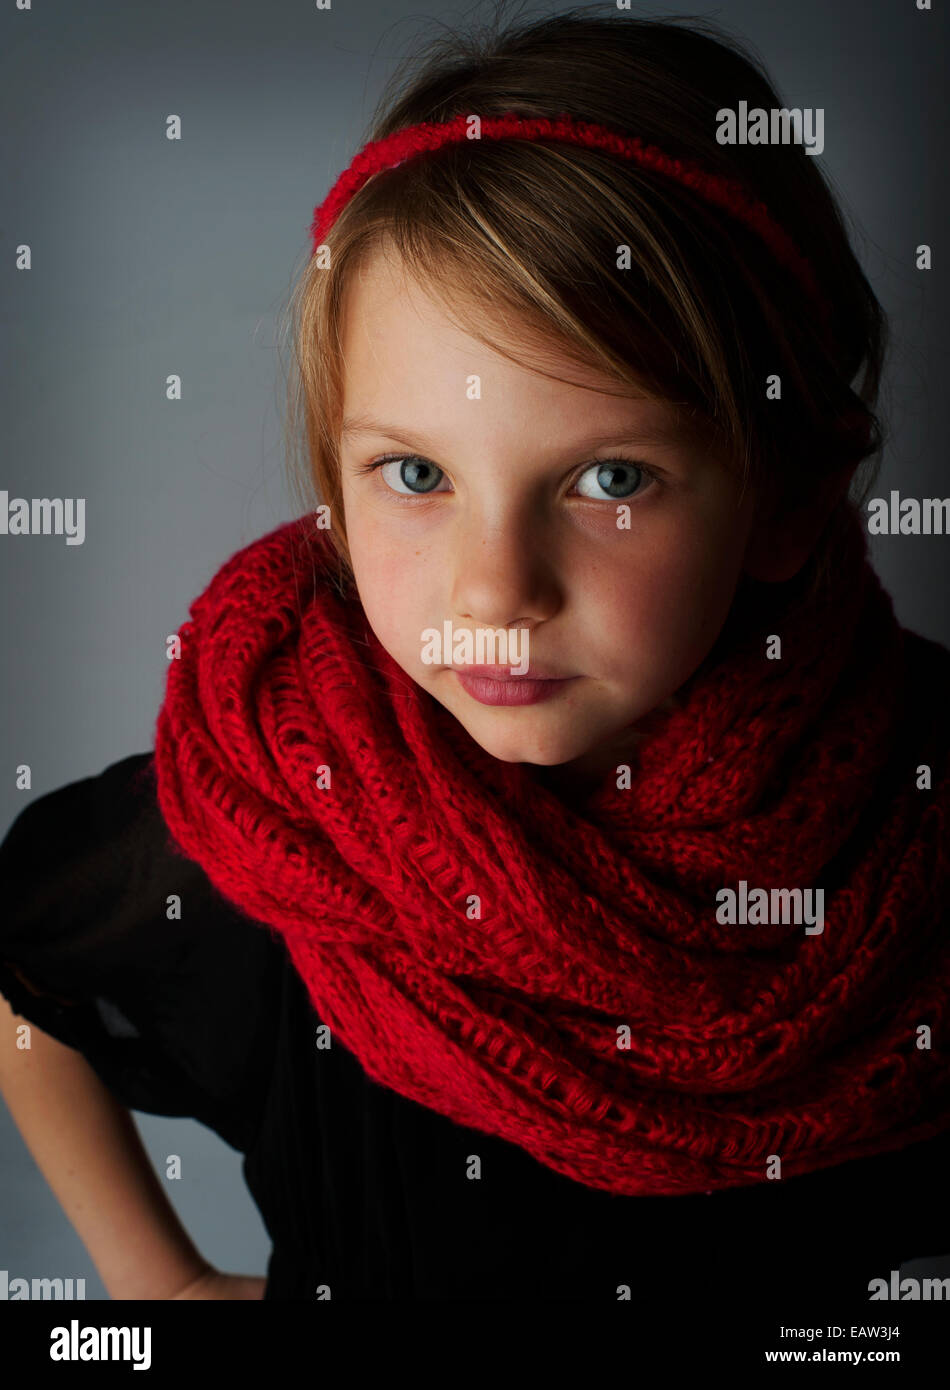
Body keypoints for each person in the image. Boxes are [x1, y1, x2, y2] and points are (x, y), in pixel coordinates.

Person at [2, 6, 949, 1313]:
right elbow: (23, 977)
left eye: (610, 476)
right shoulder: (275, 823)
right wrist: (150, 1277)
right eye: (415, 474)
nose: (494, 589)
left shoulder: (921, 828)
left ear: (785, 495)